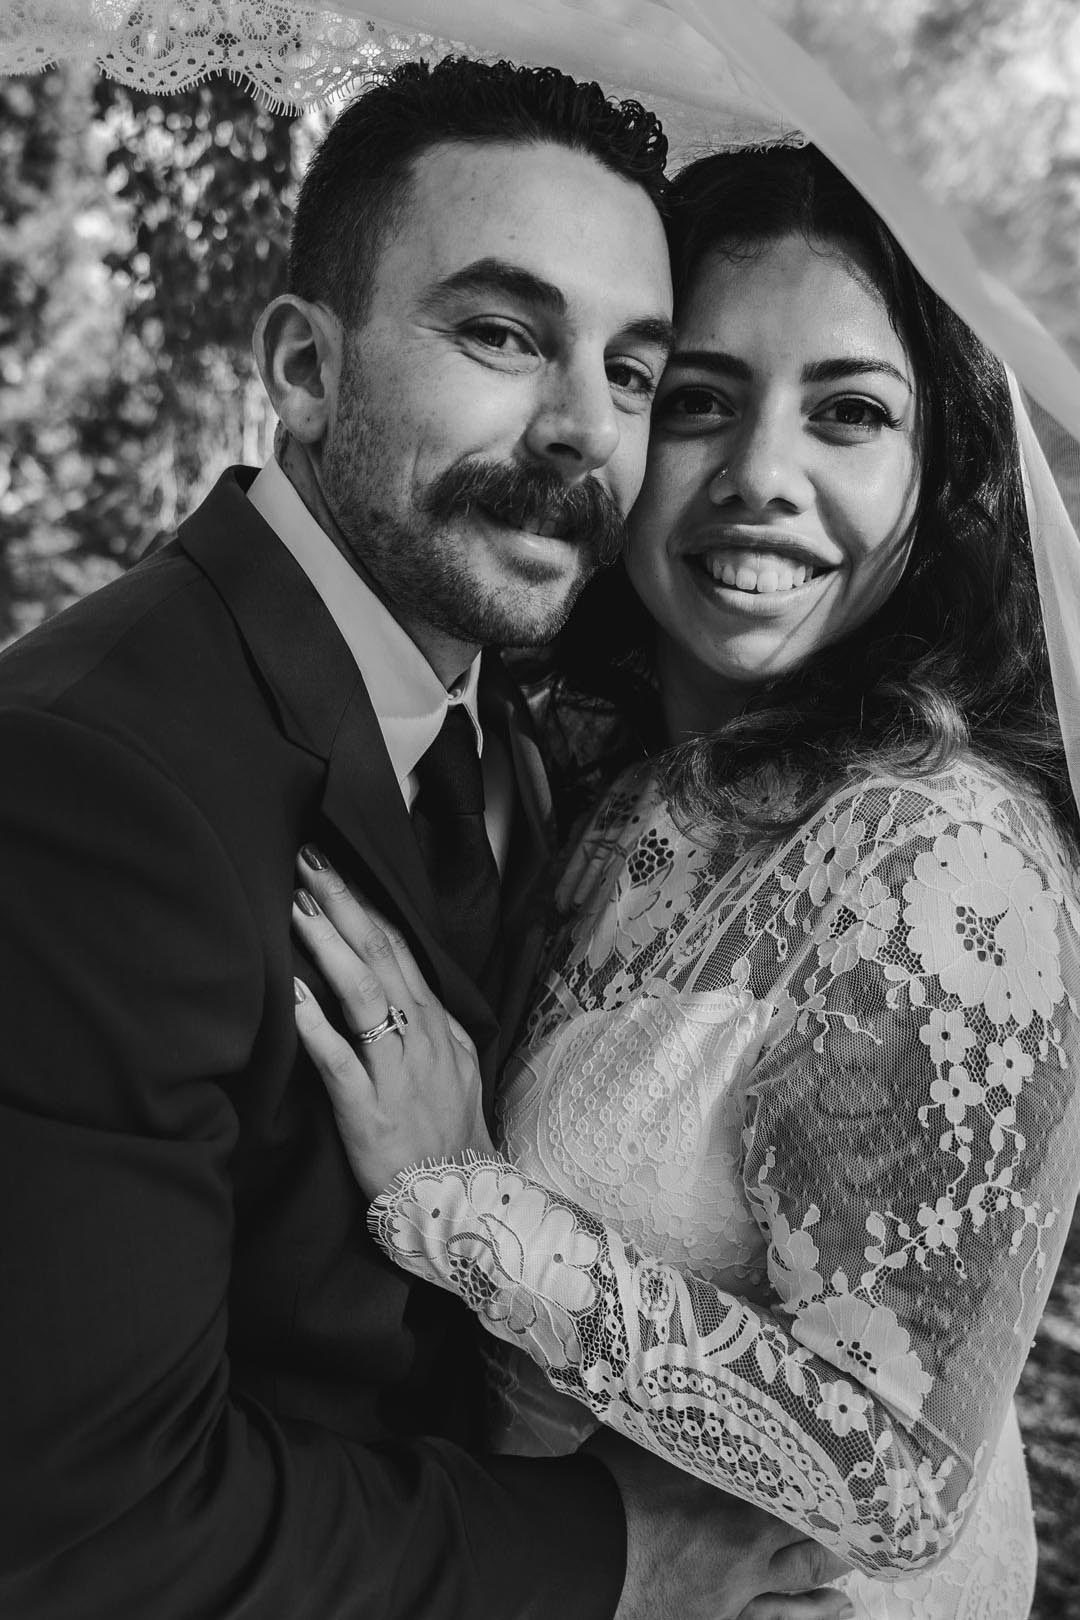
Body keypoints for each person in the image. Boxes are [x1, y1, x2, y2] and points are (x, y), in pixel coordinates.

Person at [0, 61, 853, 1620]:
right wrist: (617, 1551)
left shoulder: (510, 725)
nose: (585, 430)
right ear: (304, 368)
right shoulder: (85, 782)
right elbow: (84, 1533)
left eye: (637, 371)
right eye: (505, 335)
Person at [291, 144, 1080, 1620]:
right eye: (701, 400)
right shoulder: (591, 785)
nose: (762, 479)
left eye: (849, 414)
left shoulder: (942, 851)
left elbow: (896, 1477)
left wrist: (457, 1202)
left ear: (941, 466)